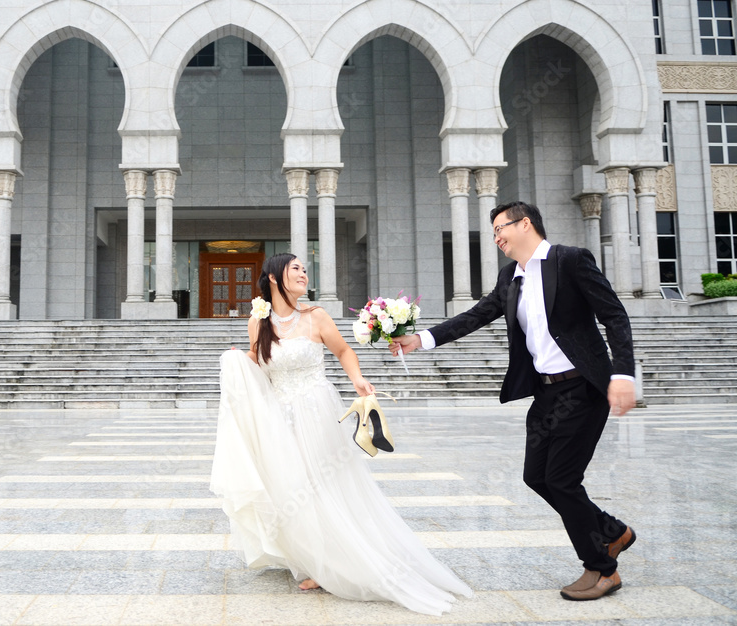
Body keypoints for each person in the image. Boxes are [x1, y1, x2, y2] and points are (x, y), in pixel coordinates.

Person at [390, 201, 637, 602]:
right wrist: (421, 339)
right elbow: (476, 315)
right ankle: (612, 532)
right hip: (546, 391)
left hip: (583, 387)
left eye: (500, 229)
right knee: (536, 476)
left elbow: (615, 315)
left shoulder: (570, 260)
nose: (497, 238)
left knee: (562, 479)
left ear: (525, 224)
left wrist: (623, 374)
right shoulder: (511, 277)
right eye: (493, 233)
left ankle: (603, 568)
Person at [210, 252, 473, 615]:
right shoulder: (259, 322)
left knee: (322, 484)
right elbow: (257, 367)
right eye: (295, 269)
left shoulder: (316, 316)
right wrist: (236, 361)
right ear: (273, 278)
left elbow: (343, 349)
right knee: (291, 487)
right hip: (278, 415)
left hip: (315, 409)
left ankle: (332, 561)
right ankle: (310, 557)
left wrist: (358, 379)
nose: (304, 273)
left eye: (305, 268)